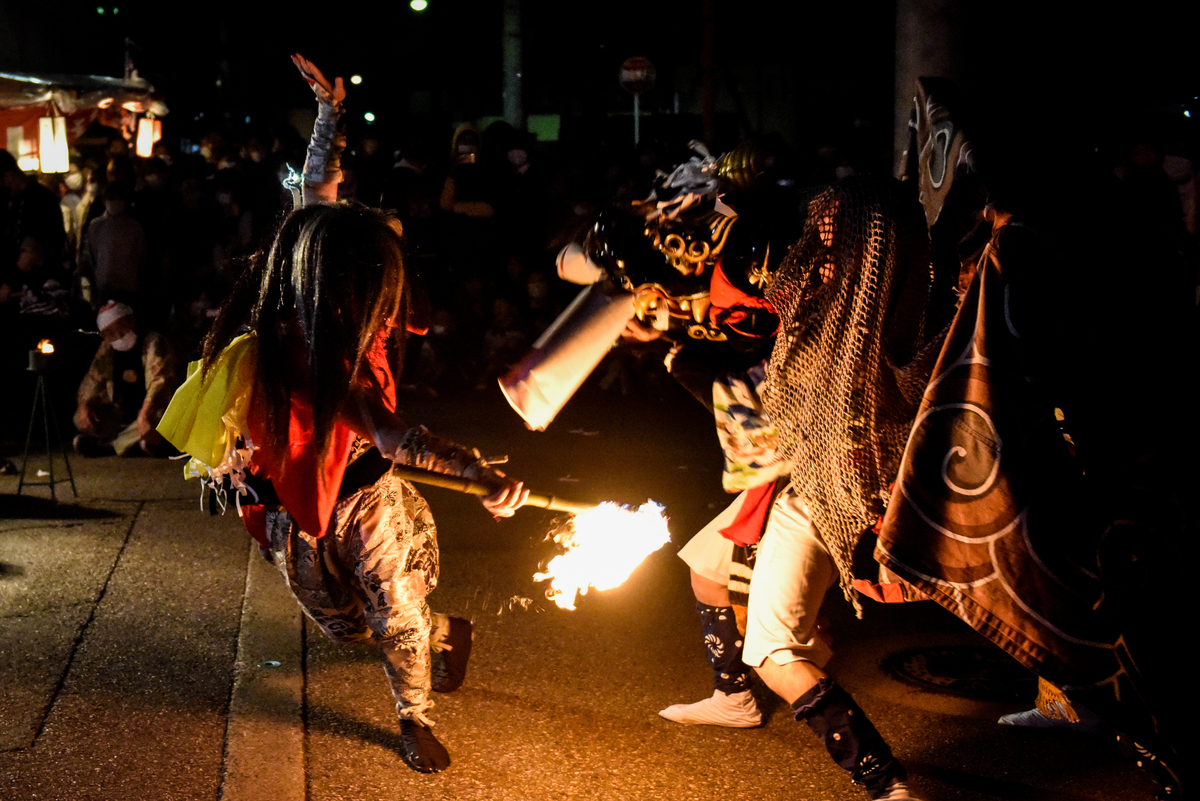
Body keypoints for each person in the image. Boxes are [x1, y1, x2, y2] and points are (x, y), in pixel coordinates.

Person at [157, 54, 529, 776]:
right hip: (299, 507)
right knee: (341, 624)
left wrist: (478, 472)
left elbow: (392, 434)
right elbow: (316, 188)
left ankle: (414, 716)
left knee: (394, 610)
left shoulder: (353, 347)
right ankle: (444, 627)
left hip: (366, 495)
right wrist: (329, 115)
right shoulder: (297, 290)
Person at [73, 301, 180, 457]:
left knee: (158, 417)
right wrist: (84, 406)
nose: (118, 336)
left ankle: (113, 446)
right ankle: (134, 442)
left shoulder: (153, 342)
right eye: (110, 333)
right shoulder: (107, 349)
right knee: (80, 417)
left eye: (121, 327)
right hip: (123, 413)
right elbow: (92, 380)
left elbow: (160, 383)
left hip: (152, 408)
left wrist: (144, 416)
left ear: (131, 321)